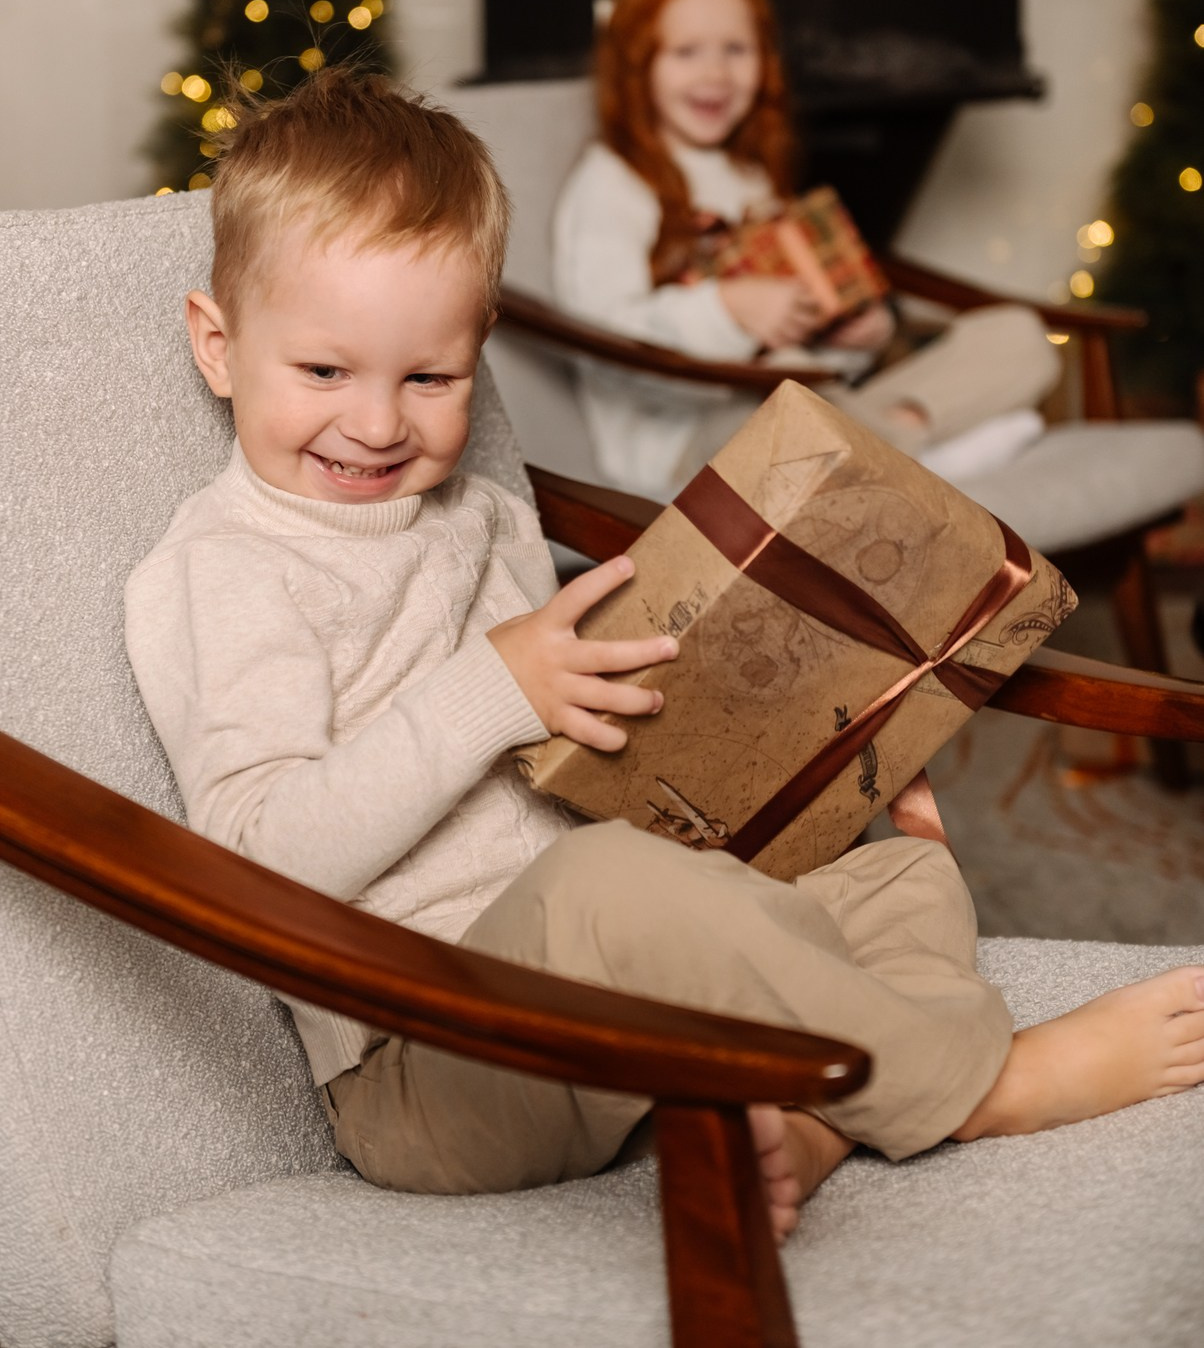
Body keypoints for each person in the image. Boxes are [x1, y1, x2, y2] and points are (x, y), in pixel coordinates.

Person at [125, 67, 1204, 1244]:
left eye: (429, 378)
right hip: (432, 1058)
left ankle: (812, 1123)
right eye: (325, 372)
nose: (380, 422)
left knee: (894, 866)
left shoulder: (479, 514)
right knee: (609, 889)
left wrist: (809, 741)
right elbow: (256, 863)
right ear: (218, 346)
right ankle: (973, 1087)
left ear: (475, 353)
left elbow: (590, 744)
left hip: (607, 983)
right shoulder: (224, 572)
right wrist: (492, 688)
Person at [553, 0, 1061, 502]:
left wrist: (851, 341)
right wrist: (728, 309)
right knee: (793, 401)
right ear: (636, 65)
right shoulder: (612, 181)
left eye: (736, 50)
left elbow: (801, 340)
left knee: (1020, 336)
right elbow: (603, 337)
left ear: (765, 61)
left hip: (808, 401)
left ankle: (899, 444)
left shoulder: (748, 176)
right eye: (686, 52)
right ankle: (917, 457)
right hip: (686, 442)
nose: (715, 74)